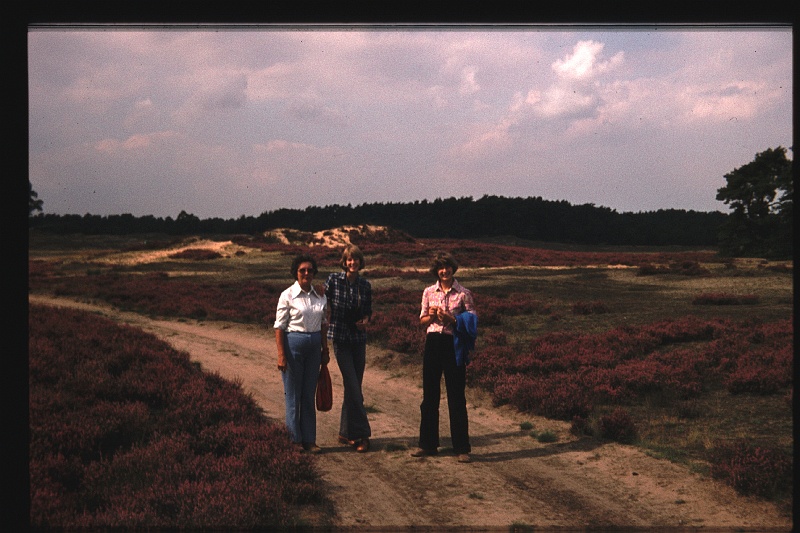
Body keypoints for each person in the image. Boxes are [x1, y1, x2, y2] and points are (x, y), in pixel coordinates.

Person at [412, 252, 477, 463]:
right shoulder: (428, 292)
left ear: (453, 269)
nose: (444, 271)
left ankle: (461, 447)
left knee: (456, 396)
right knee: (430, 396)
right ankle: (427, 444)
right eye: (440, 268)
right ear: (436, 271)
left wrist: (453, 319)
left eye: (447, 267)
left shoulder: (464, 293)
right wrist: (431, 316)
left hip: (453, 345)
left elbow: (473, 320)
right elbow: (422, 321)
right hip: (433, 344)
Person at [274, 253, 330, 453]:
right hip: (293, 344)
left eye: (310, 270)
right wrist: (281, 354)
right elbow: (279, 327)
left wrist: (325, 348)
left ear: (314, 272)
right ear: (295, 273)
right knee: (293, 394)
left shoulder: (320, 295)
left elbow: (324, 323)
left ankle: (310, 439)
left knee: (308, 393)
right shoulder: (287, 295)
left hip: (314, 346)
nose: (306, 273)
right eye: (302, 270)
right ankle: (294, 440)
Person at [324, 244, 373, 453]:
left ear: (361, 262)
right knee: (353, 387)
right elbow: (322, 304)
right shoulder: (333, 280)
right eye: (349, 259)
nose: (353, 263)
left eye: (356, 259)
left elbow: (369, 311)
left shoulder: (365, 285)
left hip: (358, 339)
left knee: (354, 386)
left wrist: (366, 320)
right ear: (344, 262)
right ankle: (362, 435)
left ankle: (345, 432)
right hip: (340, 339)